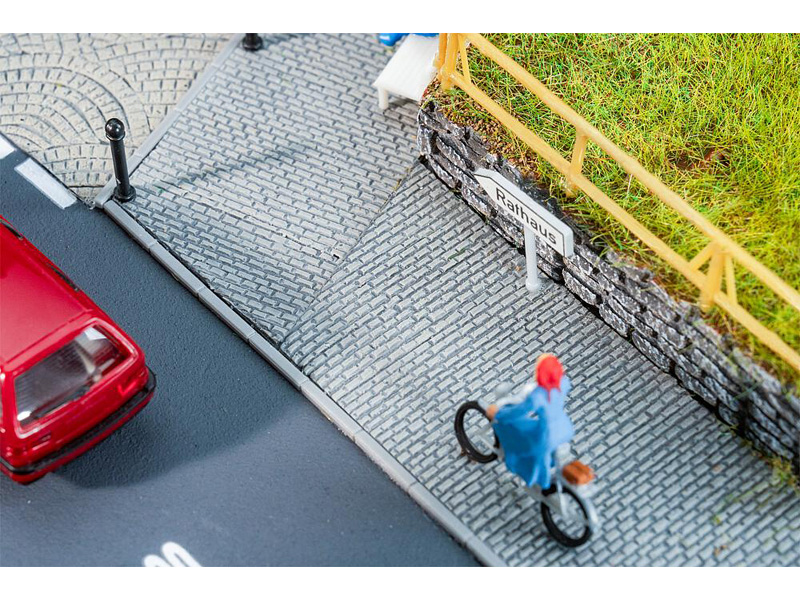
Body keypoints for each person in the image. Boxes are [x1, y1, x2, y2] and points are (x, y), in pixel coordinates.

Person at [486, 354, 574, 490]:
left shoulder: (538, 396)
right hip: (564, 428)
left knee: (517, 437)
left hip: (546, 434)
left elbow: (520, 411)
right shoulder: (563, 382)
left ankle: (538, 481)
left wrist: (498, 414)